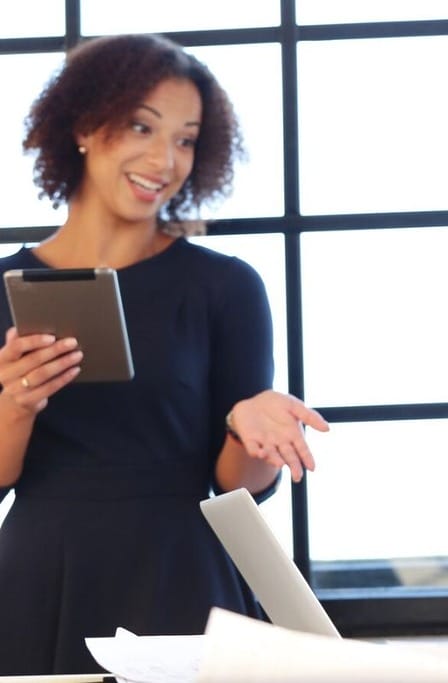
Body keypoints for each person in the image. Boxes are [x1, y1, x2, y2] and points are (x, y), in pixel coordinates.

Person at [0, 34, 330, 675]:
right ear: (84, 126)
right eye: (141, 127)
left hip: (181, 571)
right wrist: (16, 404)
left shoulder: (225, 287)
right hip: (39, 575)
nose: (165, 158)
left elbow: (237, 484)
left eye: (185, 139)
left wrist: (250, 426)